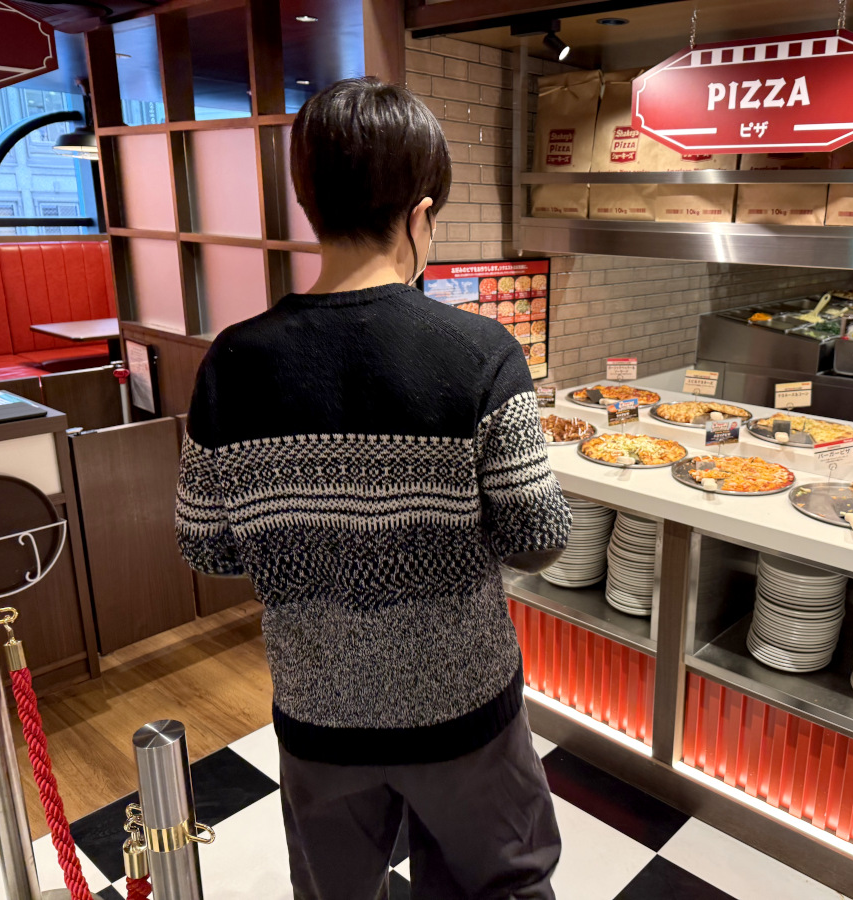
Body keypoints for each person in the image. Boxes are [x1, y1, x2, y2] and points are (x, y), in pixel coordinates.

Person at [175, 78, 572, 900]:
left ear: (309, 205)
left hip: (319, 713)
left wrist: (306, 539)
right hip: (465, 711)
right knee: (500, 886)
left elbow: (205, 545)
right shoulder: (480, 352)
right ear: (420, 215)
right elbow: (538, 539)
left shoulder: (233, 363)